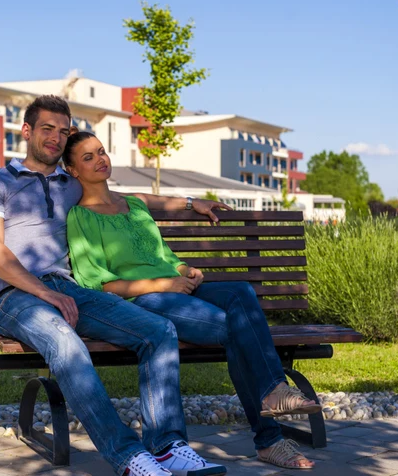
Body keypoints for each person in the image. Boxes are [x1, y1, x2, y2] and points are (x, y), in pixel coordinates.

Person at [0, 95, 230, 476]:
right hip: (17, 297)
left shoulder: (69, 184)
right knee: (66, 343)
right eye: (46, 129)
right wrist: (45, 293)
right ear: (26, 131)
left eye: (63, 131)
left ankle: (167, 446)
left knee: (159, 331)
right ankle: (128, 457)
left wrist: (190, 202)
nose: (56, 138)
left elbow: (129, 199)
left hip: (70, 291)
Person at [63, 132, 322, 471]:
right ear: (72, 170)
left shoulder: (134, 205)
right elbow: (99, 283)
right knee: (235, 328)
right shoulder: (81, 217)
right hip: (146, 300)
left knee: (241, 292)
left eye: (101, 151)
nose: (100, 159)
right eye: (88, 157)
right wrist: (164, 283)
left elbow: (162, 254)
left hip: (178, 288)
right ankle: (270, 436)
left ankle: (273, 394)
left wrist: (184, 269)